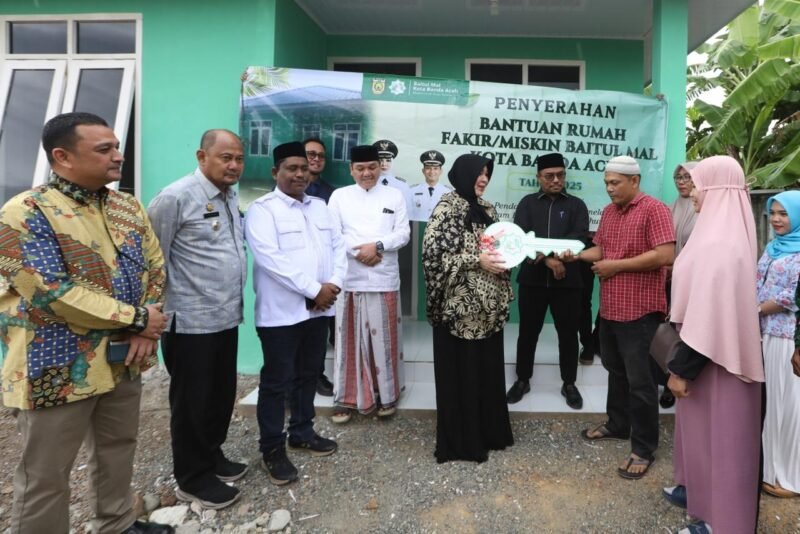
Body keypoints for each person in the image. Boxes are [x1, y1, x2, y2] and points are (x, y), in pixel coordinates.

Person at [0, 112, 172, 534]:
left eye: (116, 146)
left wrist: (145, 325)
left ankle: (116, 523)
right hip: (53, 366)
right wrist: (137, 319)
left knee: (117, 448)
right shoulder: (26, 212)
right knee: (45, 474)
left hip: (122, 358)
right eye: (105, 149)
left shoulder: (126, 205)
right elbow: (50, 291)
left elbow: (155, 266)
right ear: (62, 156)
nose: (119, 156)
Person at [147, 129, 248, 509]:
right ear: (202, 156)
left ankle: (211, 455)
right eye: (226, 157)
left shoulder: (229, 195)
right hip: (189, 322)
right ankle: (192, 478)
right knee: (192, 401)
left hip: (224, 316)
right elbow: (153, 263)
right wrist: (152, 316)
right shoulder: (174, 198)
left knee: (220, 394)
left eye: (238, 158)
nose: (234, 165)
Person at [662, 155, 764, 534]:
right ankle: (707, 511)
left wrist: (680, 370)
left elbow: (710, 317)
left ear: (718, 190)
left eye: (699, 184)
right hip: (710, 359)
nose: (693, 192)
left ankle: (726, 525)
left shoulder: (720, 245)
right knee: (708, 442)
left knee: (726, 447)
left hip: (716, 362)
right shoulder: (720, 235)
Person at [562, 155, 674, 480]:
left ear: (634, 181)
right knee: (615, 371)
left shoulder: (655, 210)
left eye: (616, 183)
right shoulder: (610, 213)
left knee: (641, 382)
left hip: (640, 312)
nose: (610, 189)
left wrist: (617, 266)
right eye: (607, 183)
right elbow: (602, 249)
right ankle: (618, 424)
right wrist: (577, 255)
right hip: (610, 310)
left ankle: (643, 448)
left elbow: (665, 255)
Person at [244, 141, 346, 485]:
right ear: (276, 172)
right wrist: (313, 289)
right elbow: (271, 259)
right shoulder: (262, 210)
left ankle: (302, 431)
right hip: (281, 317)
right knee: (277, 384)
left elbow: (339, 247)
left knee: (308, 376)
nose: (300, 173)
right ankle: (272, 448)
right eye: (292, 168)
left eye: (304, 168)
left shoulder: (320, 207)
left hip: (318, 313)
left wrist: (332, 284)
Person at [422, 153, 514, 463]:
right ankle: (463, 442)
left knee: (485, 373)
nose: (484, 179)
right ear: (463, 174)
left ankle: (490, 433)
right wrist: (477, 260)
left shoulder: (488, 209)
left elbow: (499, 250)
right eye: (479, 173)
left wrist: (503, 263)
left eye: (487, 173)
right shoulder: (447, 208)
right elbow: (433, 257)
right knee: (461, 375)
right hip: (459, 312)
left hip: (487, 311)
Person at [327, 145, 410, 423]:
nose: (366, 173)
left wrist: (378, 245)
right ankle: (346, 397)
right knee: (347, 339)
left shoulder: (394, 195)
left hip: (383, 278)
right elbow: (332, 234)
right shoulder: (339, 196)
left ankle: (386, 395)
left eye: (372, 167)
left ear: (380, 167)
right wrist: (360, 251)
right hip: (349, 278)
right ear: (351, 169)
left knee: (383, 341)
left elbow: (403, 233)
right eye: (360, 168)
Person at [506, 152, 589, 409]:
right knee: (528, 333)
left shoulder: (577, 205)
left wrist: (555, 257)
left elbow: (579, 238)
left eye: (560, 175)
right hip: (533, 281)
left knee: (567, 334)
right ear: (538, 178)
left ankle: (569, 383)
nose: (556, 180)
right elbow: (521, 240)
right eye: (549, 176)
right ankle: (522, 379)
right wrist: (548, 261)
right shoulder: (527, 204)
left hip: (568, 282)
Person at [758, 190, 800, 499]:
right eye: (773, 213)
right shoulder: (772, 247)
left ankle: (789, 477)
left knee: (789, 406)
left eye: (783, 214)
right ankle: (769, 470)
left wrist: (755, 309)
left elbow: (792, 296)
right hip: (764, 332)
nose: (776, 219)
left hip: (788, 337)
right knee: (771, 404)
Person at [657, 162, 699, 409]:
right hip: (669, 280)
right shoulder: (671, 208)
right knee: (668, 331)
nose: (681, 181)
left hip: (693, 282)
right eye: (677, 177)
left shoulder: (704, 208)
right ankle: (666, 381)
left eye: (687, 177)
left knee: (687, 332)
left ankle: (683, 376)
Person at [303, 136, 336, 396]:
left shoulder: (331, 194)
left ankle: (317, 375)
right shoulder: (284, 190)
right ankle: (296, 381)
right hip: (297, 276)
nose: (315, 159)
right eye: (310, 154)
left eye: (320, 156)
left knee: (320, 331)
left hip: (325, 276)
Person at [407, 149, 451, 221]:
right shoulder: (412, 191)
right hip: (417, 230)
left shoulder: (448, 192)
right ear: (423, 171)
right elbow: (408, 216)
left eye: (435, 168)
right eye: (428, 168)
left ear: (441, 171)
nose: (432, 172)